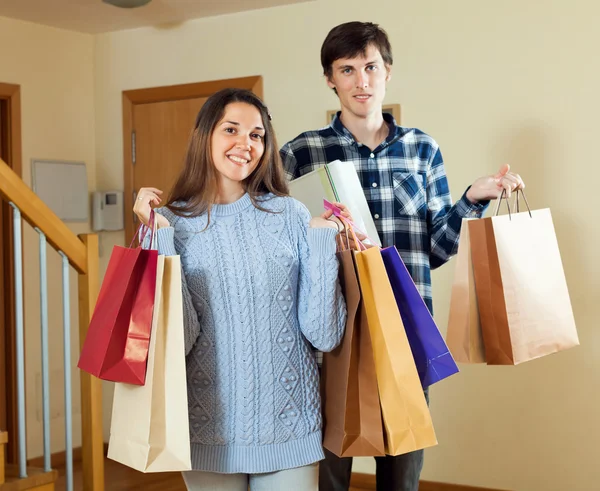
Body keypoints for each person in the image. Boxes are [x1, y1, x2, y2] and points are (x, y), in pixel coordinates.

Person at [280, 21, 525, 491]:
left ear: (387, 71)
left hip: (407, 322)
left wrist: (473, 198)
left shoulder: (422, 149)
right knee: (331, 466)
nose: (361, 81)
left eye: (370, 67)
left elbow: (435, 250)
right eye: (346, 70)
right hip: (331, 326)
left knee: (404, 466)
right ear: (330, 79)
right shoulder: (305, 150)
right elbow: (262, 216)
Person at [133, 88, 348, 491]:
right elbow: (174, 343)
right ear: (204, 136)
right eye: (230, 129)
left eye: (256, 134)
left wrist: (322, 242)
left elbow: (324, 333)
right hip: (205, 429)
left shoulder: (290, 214)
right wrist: (158, 240)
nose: (245, 144)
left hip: (290, 425)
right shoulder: (168, 224)